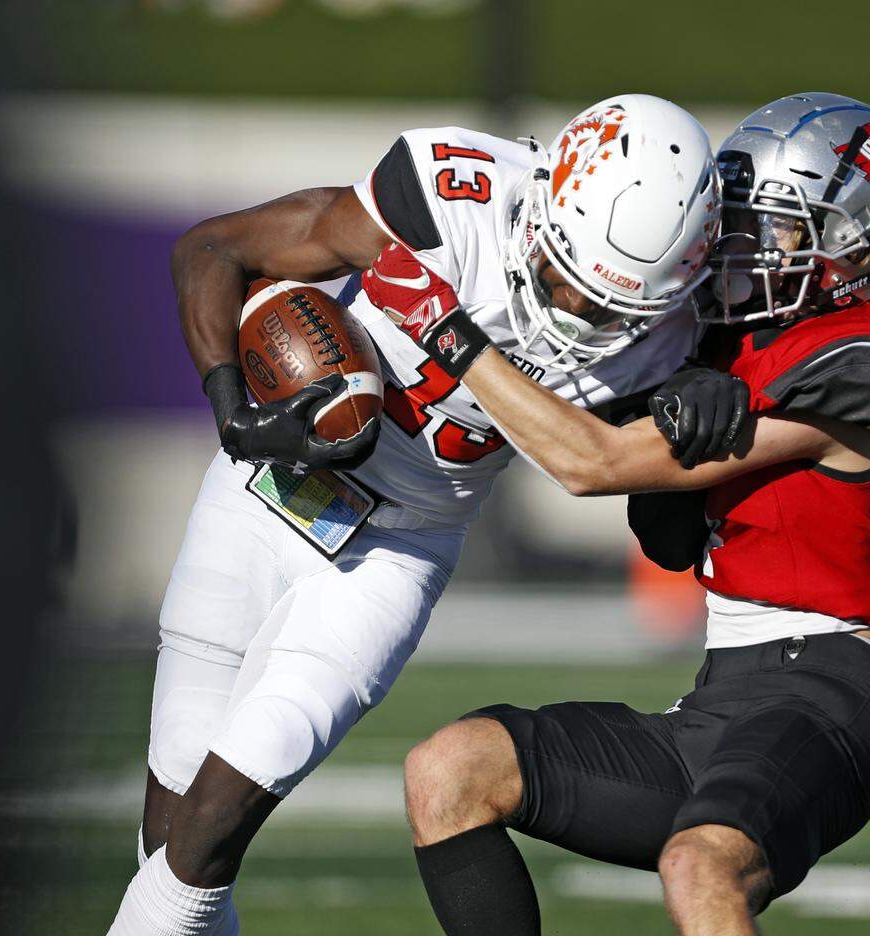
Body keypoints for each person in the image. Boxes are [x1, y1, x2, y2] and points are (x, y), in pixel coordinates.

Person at [107, 94, 722, 934]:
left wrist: (688, 432)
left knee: (213, 821)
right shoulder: (448, 198)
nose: (576, 319)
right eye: (565, 284)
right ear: (543, 208)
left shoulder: (669, 340)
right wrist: (234, 408)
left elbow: (667, 541)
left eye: (609, 308)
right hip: (267, 493)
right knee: (170, 836)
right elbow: (212, 247)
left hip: (397, 551)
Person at [396, 93, 870, 935]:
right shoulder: (727, 349)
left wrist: (450, 333)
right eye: (732, 226)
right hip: (720, 699)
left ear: (857, 241)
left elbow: (592, 464)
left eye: (774, 230)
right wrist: (671, 389)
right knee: (450, 770)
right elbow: (667, 540)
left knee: (701, 866)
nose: (740, 249)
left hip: (824, 693)